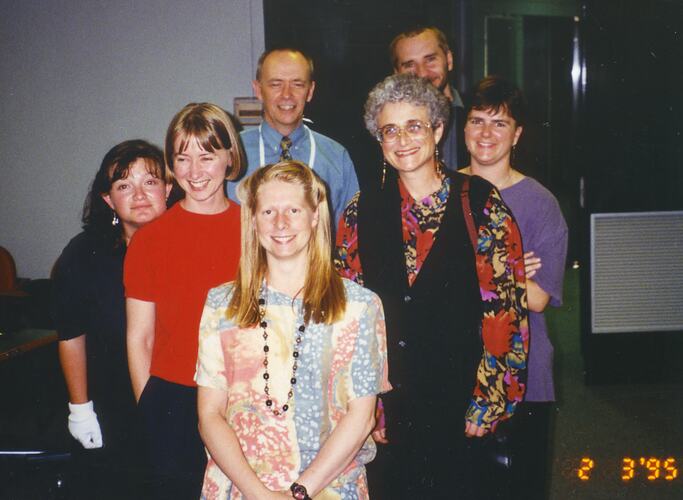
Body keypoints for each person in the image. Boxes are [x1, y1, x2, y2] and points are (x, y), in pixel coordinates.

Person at [334, 73, 528, 499]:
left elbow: (506, 311)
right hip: (391, 402)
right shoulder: (358, 211)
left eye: (414, 126)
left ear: (438, 129)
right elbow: (348, 320)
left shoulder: (480, 203)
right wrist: (365, 406)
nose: (402, 139)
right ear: (378, 139)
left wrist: (491, 396)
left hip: (461, 399)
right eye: (390, 129)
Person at [196, 161, 390, 499]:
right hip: (239, 489)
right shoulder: (221, 305)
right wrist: (260, 494)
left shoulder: (360, 306)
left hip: (330, 488)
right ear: (253, 220)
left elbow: (361, 418)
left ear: (315, 216)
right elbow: (209, 415)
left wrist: (298, 493)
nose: (281, 223)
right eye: (268, 211)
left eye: (293, 210)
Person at [124, 103, 244, 499]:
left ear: (230, 158)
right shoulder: (150, 239)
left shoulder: (256, 229)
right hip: (173, 401)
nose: (194, 172)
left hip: (243, 398)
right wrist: (151, 408)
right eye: (183, 157)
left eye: (207, 157)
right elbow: (139, 337)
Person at [461, 75, 568, 500]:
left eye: (499, 123)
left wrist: (471, 273)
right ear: (462, 128)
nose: (486, 133)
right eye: (476, 121)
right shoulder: (442, 191)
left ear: (517, 133)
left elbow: (538, 298)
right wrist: (509, 273)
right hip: (458, 368)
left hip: (524, 374)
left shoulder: (541, 204)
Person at [52, 139, 171, 499]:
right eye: (124, 185)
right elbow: (71, 335)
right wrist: (80, 409)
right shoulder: (84, 254)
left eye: (149, 182)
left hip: (178, 405)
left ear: (168, 188)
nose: (139, 194)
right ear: (108, 199)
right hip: (110, 407)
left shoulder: (187, 245)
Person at [227, 48, 359, 226]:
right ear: (258, 90)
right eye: (276, 84)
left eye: (297, 84)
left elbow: (350, 234)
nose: (287, 94)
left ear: (310, 91)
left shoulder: (336, 157)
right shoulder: (231, 152)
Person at [390, 26, 469, 170]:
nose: (422, 73)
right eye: (409, 65)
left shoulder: (479, 116)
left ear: (449, 60)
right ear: (397, 74)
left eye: (430, 59)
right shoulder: (385, 130)